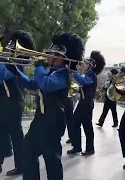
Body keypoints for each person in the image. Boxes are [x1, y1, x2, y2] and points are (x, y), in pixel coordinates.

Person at [20, 32, 84, 180]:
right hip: (40, 121)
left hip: (53, 122)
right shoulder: (50, 72)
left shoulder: (63, 75)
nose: (48, 56)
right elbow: (32, 83)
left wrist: (39, 68)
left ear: (61, 58)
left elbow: (46, 85)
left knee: (52, 161)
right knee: (28, 152)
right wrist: (16, 73)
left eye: (52, 54)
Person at [0, 30, 35, 175]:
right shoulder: (7, 62)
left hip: (13, 103)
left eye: (11, 45)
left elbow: (2, 77)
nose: (7, 47)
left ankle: (16, 166)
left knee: (15, 137)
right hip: (6, 103)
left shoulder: (16, 64)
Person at [67, 51, 106, 155]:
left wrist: (74, 73)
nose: (84, 65)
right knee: (85, 126)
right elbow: (86, 87)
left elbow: (85, 82)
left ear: (90, 66)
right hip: (86, 103)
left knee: (77, 124)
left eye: (86, 64)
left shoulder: (91, 75)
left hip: (85, 104)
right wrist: (78, 89)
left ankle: (79, 147)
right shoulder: (89, 74)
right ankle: (87, 148)